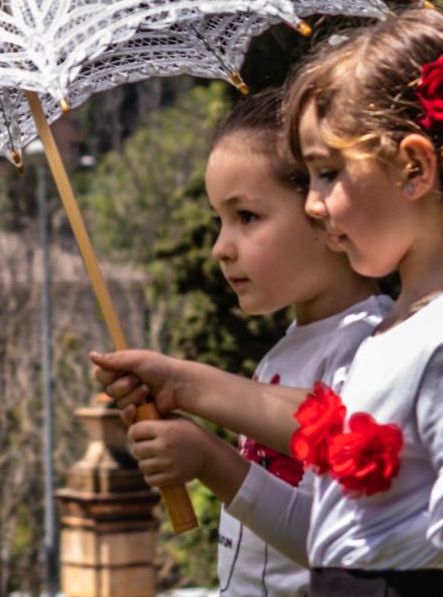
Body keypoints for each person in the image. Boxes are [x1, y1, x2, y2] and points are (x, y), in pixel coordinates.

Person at [94, 7, 443, 597]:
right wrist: (182, 386)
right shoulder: (414, 322)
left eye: (328, 173)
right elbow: (340, 456)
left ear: (413, 168)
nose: (313, 205)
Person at [120, 87, 389, 596]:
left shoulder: (371, 347)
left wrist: (210, 460)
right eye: (218, 221)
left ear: (326, 211)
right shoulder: (288, 349)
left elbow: (336, 543)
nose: (220, 248)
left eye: (246, 217)